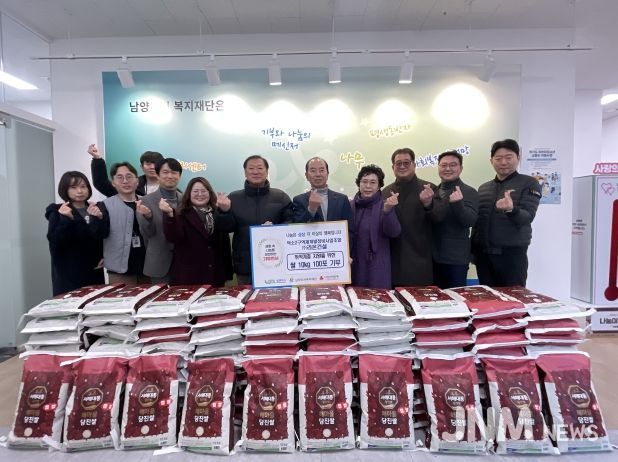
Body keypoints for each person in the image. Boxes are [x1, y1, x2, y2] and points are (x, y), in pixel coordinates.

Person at [472, 139, 542, 287]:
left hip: (512, 256)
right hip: (484, 256)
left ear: (518, 158)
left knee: (513, 297)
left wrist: (511, 209)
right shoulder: (483, 188)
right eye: (498, 158)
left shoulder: (529, 183)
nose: (503, 162)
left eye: (508, 157)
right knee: (488, 297)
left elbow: (528, 216)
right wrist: (472, 251)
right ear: (491, 161)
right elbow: (478, 223)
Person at [217, 155, 293, 284]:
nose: (256, 172)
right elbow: (226, 228)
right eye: (251, 168)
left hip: (277, 263)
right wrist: (224, 211)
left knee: (277, 297)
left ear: (267, 172)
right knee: (246, 296)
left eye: (260, 168)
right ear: (245, 172)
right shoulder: (234, 197)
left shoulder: (280, 197)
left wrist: (275, 229)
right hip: (246, 265)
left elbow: (291, 222)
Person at [160, 177, 232, 285]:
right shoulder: (181, 214)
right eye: (195, 191)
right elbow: (174, 237)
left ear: (209, 193)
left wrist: (226, 211)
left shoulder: (217, 213)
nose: (200, 194)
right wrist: (169, 215)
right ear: (189, 194)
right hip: (189, 276)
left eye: (203, 191)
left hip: (215, 275)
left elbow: (225, 245)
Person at [382, 147, 435, 287]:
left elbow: (439, 220)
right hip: (393, 260)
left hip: (421, 259)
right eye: (398, 163)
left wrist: (428, 204)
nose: (402, 166)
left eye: (406, 162)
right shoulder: (385, 192)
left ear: (414, 165)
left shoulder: (429, 189)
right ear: (393, 167)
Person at [88, 161, 148, 284]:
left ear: (137, 181)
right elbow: (98, 235)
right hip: (119, 272)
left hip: (147, 268)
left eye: (129, 176)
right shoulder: (103, 206)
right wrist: (98, 219)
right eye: (119, 177)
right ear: (113, 183)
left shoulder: (148, 202)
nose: (125, 181)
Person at [45, 171, 104, 295]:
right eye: (73, 187)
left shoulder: (96, 208)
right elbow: (55, 242)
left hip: (94, 271)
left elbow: (103, 236)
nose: (80, 191)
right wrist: (67, 219)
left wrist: (106, 256)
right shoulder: (57, 210)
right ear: (65, 189)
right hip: (69, 274)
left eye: (83, 186)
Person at [428, 151, 479, 288]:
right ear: (438, 168)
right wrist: (427, 204)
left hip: (455, 259)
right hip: (432, 257)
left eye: (453, 165)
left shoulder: (469, 191)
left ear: (461, 168)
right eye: (443, 165)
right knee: (434, 297)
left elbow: (470, 221)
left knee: (455, 297)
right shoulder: (433, 191)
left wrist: (458, 205)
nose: (448, 168)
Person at [350, 165, 401, 289]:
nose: (368, 186)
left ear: (379, 186)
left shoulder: (385, 205)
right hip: (353, 264)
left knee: (378, 297)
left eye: (373, 182)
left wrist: (388, 211)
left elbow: (394, 232)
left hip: (377, 265)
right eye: (364, 182)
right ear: (359, 184)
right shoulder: (350, 205)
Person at [135, 157, 183, 282]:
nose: (170, 176)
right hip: (159, 263)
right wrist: (148, 217)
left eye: (174, 172)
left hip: (184, 262)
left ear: (179, 176)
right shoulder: (145, 201)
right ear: (157, 175)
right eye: (165, 172)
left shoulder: (186, 200)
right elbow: (146, 234)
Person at [292, 156, 355, 248]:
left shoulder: (342, 199)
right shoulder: (299, 200)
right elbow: (296, 230)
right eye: (313, 171)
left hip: (337, 250)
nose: (318, 174)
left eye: (321, 170)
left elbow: (350, 230)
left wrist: (345, 251)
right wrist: (311, 209)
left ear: (327, 173)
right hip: (311, 250)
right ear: (306, 176)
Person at [87, 144, 163, 197]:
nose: (152, 167)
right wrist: (97, 159)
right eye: (148, 164)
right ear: (142, 167)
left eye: (156, 163)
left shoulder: (168, 185)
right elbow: (103, 185)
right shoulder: (132, 184)